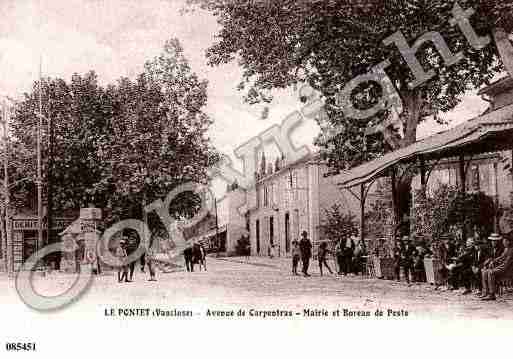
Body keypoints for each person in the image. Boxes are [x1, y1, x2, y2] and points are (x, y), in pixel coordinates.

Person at [481, 233, 513, 301]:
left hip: (507, 270)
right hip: (502, 268)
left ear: (508, 242)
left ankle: (492, 294)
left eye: (504, 241)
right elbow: (500, 258)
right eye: (503, 241)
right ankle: (486, 292)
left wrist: (495, 268)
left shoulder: (511, 250)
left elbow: (506, 264)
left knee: (491, 272)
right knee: (485, 272)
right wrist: (493, 261)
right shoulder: (506, 249)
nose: (503, 242)